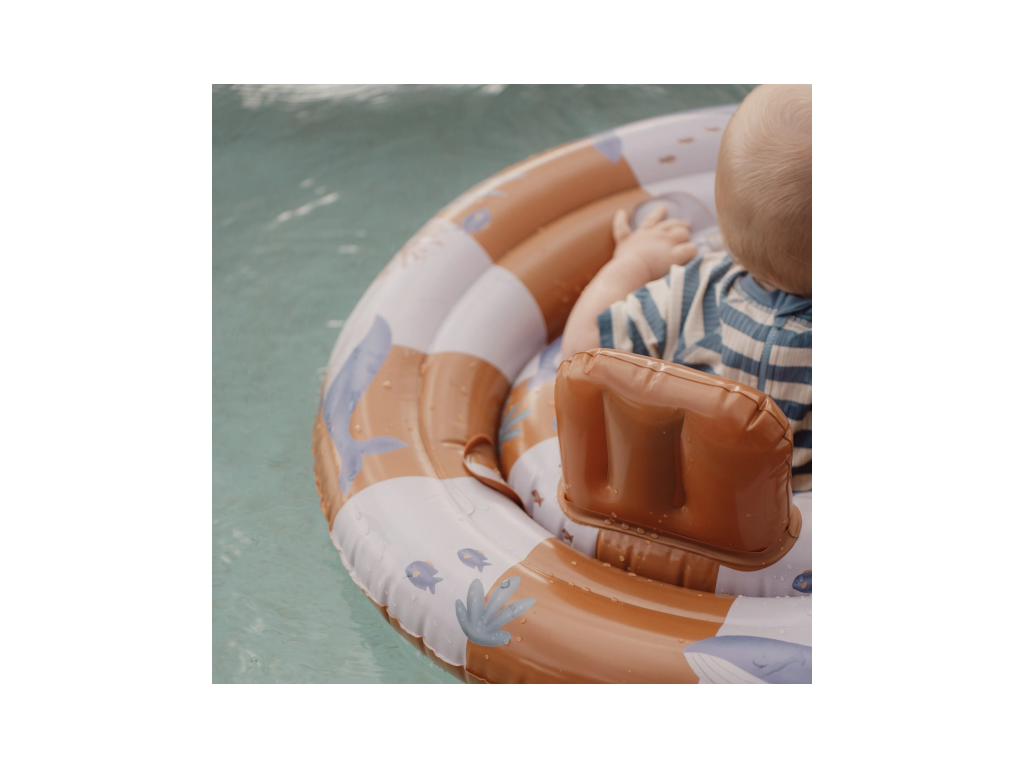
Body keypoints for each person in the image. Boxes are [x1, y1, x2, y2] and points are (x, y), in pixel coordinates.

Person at [560, 83, 812, 490]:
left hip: (699, 495)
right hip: (801, 513)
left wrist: (634, 262)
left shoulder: (691, 294)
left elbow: (581, 352)